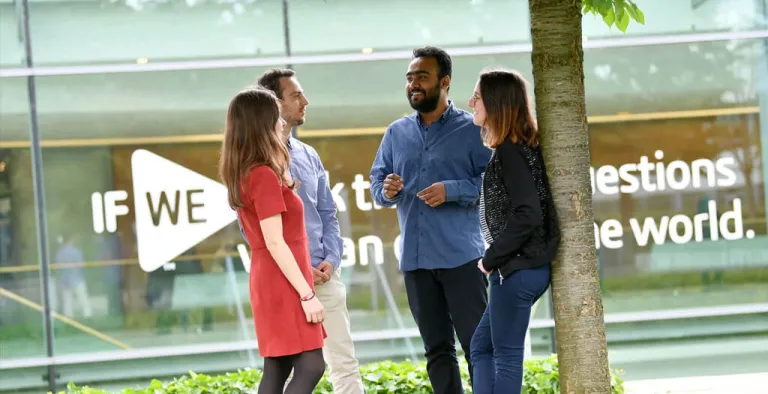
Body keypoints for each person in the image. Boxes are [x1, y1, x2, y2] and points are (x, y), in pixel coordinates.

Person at [369, 46, 492, 394]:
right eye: (409, 78)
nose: (413, 84)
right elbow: (377, 184)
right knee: (437, 351)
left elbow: (495, 184)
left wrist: (451, 190)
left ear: (445, 81)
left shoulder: (472, 130)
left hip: (462, 260)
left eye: (422, 76)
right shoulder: (396, 133)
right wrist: (387, 190)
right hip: (416, 262)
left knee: (478, 348)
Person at [239, 68, 365, 393]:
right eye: (296, 95)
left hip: (322, 277)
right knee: (303, 366)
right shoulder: (259, 167)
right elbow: (264, 235)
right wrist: (302, 278)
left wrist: (332, 259)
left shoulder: (308, 155)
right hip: (289, 280)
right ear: (274, 104)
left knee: (340, 364)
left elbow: (327, 212)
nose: (305, 101)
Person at [219, 87, 326, 393]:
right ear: (261, 124)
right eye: (275, 116)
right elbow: (275, 242)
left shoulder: (247, 172)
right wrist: (307, 295)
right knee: (311, 365)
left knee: (277, 368)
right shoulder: (263, 174)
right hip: (283, 281)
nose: (282, 123)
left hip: (272, 277)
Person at [467, 69, 561, 394]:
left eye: (477, 96)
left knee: (505, 356)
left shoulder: (510, 150)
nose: (471, 102)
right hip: (521, 269)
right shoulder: (516, 147)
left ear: (495, 101)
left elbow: (528, 214)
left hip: (517, 269)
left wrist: (492, 257)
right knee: (481, 347)